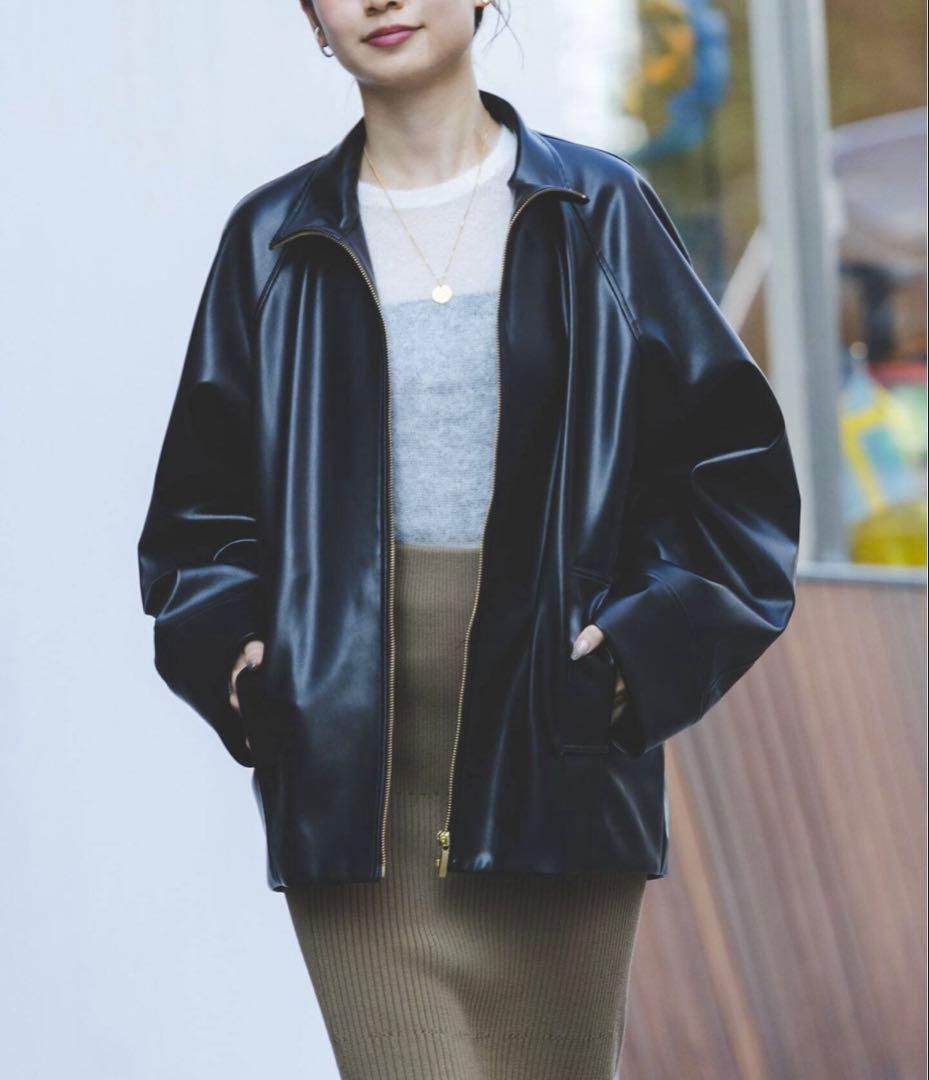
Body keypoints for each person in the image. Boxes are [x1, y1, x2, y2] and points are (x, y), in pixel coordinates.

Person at [136, 1, 801, 1077]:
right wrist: (247, 668)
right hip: (351, 781)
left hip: (555, 758)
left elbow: (732, 481)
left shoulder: (598, 211)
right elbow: (198, 523)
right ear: (311, 18)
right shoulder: (271, 241)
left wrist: (628, 663)